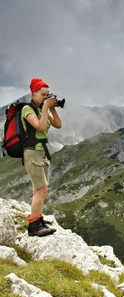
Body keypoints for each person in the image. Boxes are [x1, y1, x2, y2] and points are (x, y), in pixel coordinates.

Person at [22, 78, 62, 236]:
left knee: (37, 191)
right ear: (34, 93)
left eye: (47, 95)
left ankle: (38, 220)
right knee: (42, 190)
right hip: (32, 151)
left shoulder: (41, 109)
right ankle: (33, 226)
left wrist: (53, 109)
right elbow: (39, 126)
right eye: (43, 94)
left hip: (42, 152)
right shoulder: (27, 109)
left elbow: (58, 125)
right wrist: (46, 107)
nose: (45, 97)